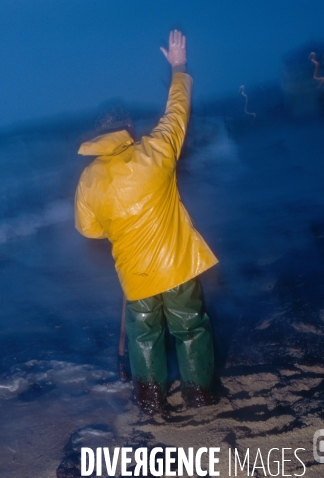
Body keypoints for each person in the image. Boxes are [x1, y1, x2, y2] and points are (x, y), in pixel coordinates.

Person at [74, 30, 218, 414]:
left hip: (135, 274)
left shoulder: (89, 179)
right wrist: (178, 67)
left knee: (144, 337)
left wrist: (116, 225)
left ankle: (152, 401)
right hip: (177, 265)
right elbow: (176, 112)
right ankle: (200, 395)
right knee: (190, 327)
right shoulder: (156, 151)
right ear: (128, 130)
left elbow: (88, 229)